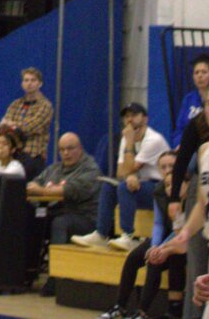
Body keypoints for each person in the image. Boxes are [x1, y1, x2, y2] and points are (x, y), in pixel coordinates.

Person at [72, 103, 170, 251]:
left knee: (125, 187)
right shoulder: (126, 138)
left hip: (161, 188)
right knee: (109, 186)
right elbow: (120, 172)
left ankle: (128, 235)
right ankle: (101, 234)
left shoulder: (153, 139)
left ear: (145, 119)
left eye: (134, 115)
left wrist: (130, 145)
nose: (130, 119)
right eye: (127, 116)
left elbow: (129, 168)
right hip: (139, 185)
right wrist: (131, 174)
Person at [115, 150, 187, 319]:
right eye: (164, 167)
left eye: (172, 166)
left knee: (156, 260)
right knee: (133, 258)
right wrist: (155, 245)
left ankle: (142, 312)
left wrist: (161, 248)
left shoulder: (187, 189)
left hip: (181, 239)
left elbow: (182, 231)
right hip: (163, 237)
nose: (168, 169)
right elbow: (159, 223)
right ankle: (119, 307)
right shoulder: (159, 190)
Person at [27, 133, 100, 244]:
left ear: (80, 149)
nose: (66, 153)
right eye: (62, 150)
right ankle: (30, 260)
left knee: (60, 222)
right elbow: (32, 185)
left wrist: (41, 191)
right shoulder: (54, 168)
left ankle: (57, 260)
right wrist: (43, 190)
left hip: (84, 217)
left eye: (70, 148)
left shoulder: (90, 169)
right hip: (55, 211)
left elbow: (70, 190)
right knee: (30, 217)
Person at [0, 67, 53, 177]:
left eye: (33, 80)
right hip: (12, 155)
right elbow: (2, 128)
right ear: (22, 84)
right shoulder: (15, 104)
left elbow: (29, 128)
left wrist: (12, 125)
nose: (29, 83)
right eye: (26, 80)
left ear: (40, 84)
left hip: (32, 156)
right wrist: (11, 126)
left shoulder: (45, 106)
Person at [173, 55, 209, 147]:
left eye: (204, 72)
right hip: (188, 145)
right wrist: (179, 144)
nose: (200, 76)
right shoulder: (189, 99)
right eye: (196, 72)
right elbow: (179, 129)